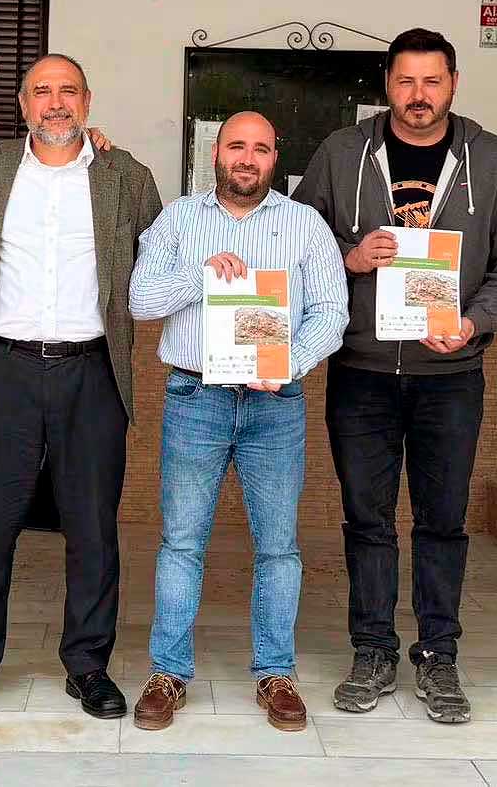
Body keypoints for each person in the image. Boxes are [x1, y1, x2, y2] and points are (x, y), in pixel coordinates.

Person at [293, 28, 497, 724]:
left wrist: (474, 321)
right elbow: (295, 235)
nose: (418, 95)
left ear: (453, 83)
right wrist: (347, 254)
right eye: (405, 81)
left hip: (450, 373)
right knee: (367, 520)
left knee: (442, 520)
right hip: (361, 370)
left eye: (432, 81)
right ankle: (372, 649)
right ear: (386, 85)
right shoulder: (343, 152)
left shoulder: (491, 159)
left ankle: (438, 654)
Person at [0, 53, 162, 721]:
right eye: (42, 92)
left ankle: (88, 666)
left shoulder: (126, 175)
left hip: (94, 370)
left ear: (87, 100)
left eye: (68, 91)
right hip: (0, 368)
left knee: (93, 527)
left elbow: (167, 247)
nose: (56, 103)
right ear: (22, 104)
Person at [127, 112, 348, 732]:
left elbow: (331, 312)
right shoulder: (179, 219)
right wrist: (201, 275)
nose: (247, 158)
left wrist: (287, 364)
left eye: (260, 148)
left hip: (276, 404)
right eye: (236, 146)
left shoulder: (305, 225)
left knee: (279, 547)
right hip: (194, 397)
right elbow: (140, 300)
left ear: (276, 157)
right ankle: (168, 672)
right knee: (181, 542)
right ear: (215, 153)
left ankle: (275, 672)